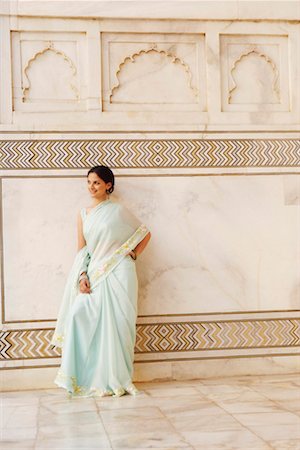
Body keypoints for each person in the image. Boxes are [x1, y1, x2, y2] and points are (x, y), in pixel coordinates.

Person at [50, 165, 151, 398]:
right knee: (78, 315)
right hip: (95, 275)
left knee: (118, 326)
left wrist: (133, 254)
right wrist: (82, 276)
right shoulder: (83, 214)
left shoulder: (118, 211)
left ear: (108, 185)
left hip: (121, 273)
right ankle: (85, 378)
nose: (91, 187)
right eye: (88, 182)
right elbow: (82, 250)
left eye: (96, 182)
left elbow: (145, 234)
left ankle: (116, 378)